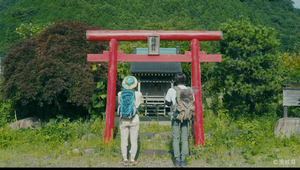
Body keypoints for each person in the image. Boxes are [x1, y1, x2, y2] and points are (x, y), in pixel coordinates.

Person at [165, 72, 192, 167]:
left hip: (176, 116)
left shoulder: (171, 90)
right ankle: (183, 159)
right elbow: (192, 102)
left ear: (176, 80)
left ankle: (177, 160)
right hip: (187, 116)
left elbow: (167, 103)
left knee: (176, 138)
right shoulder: (189, 90)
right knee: (185, 138)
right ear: (184, 80)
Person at [117, 75, 143, 166]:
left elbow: (119, 103)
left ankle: (124, 159)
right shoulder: (138, 94)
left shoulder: (120, 94)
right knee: (134, 139)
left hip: (123, 120)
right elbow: (140, 103)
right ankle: (132, 159)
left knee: (123, 139)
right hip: (134, 119)